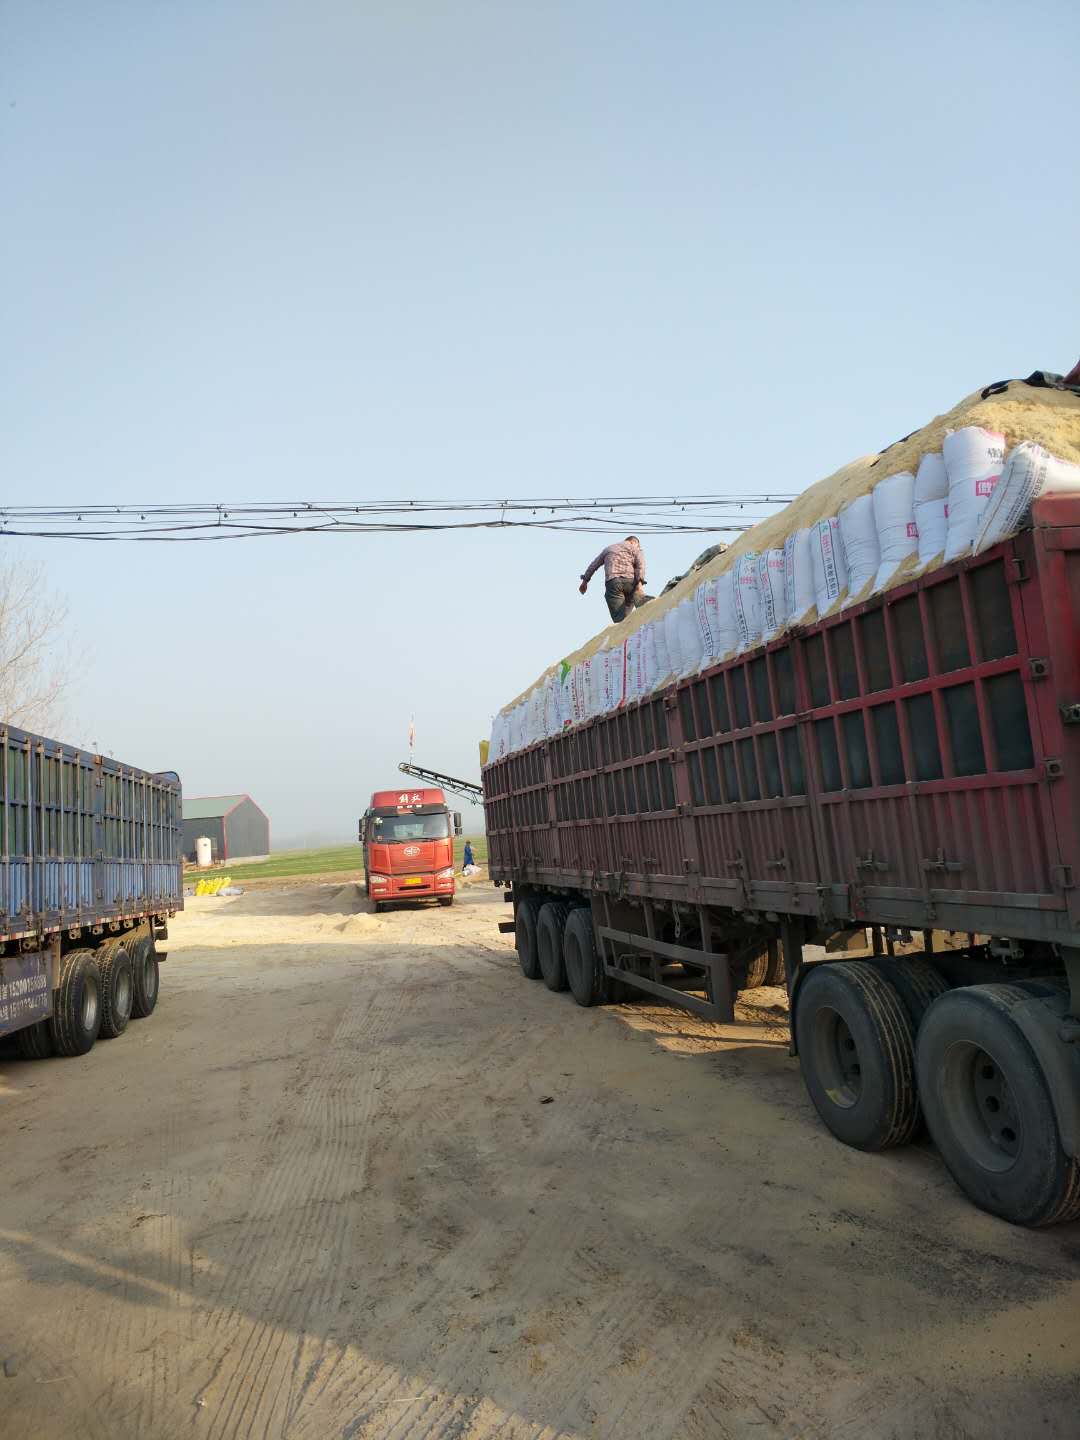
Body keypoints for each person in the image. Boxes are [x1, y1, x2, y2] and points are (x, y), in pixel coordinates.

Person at [579, 535, 651, 623]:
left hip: (613, 583)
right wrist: (639, 585)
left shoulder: (608, 549)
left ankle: (624, 626)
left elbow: (594, 565)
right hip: (630, 583)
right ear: (633, 542)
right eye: (638, 545)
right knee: (628, 612)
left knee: (620, 620)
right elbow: (641, 566)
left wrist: (585, 581)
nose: (639, 547)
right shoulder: (636, 549)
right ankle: (641, 602)